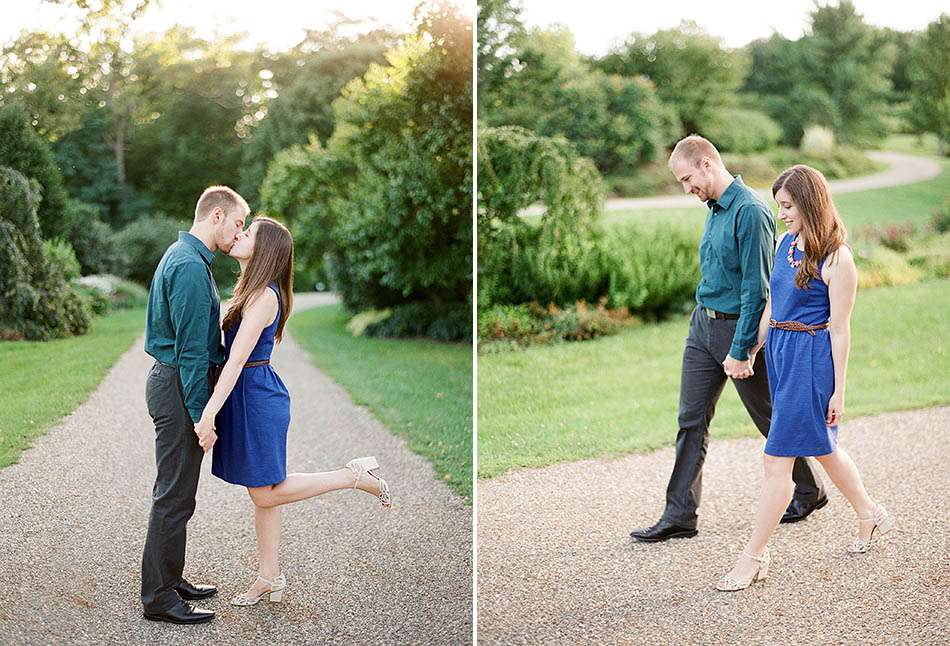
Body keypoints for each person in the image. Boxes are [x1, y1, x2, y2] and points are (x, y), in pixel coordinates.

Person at [631, 136, 826, 543]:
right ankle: (680, 513)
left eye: (687, 179)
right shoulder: (715, 208)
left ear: (706, 164)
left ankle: (810, 489)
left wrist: (741, 349)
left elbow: (757, 289)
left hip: (737, 330)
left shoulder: (751, 211)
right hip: (702, 327)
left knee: (769, 416)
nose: (687, 189)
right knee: (690, 419)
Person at [193, 215, 392, 607]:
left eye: (247, 233)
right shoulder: (249, 291)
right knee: (265, 489)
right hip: (247, 396)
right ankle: (270, 576)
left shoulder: (265, 296)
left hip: (256, 398)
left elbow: (235, 361)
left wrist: (208, 413)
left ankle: (351, 476)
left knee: (265, 493)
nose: (240, 234)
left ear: (263, 249)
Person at [716, 165, 893, 591]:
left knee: (776, 459)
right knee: (823, 447)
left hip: (811, 361)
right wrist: (750, 348)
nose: (781, 213)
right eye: (779, 205)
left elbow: (841, 328)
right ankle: (871, 513)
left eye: (788, 205)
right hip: (780, 353)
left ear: (810, 204)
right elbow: (773, 307)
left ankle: (754, 556)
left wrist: (839, 391)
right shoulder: (783, 244)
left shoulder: (838, 258)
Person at [142, 185, 248, 624]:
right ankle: (159, 598)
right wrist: (203, 416)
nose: (239, 233)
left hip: (176, 385)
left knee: (180, 493)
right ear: (217, 216)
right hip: (177, 388)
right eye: (239, 223)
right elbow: (189, 351)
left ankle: (171, 578)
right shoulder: (187, 265)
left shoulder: (191, 259)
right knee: (173, 495)